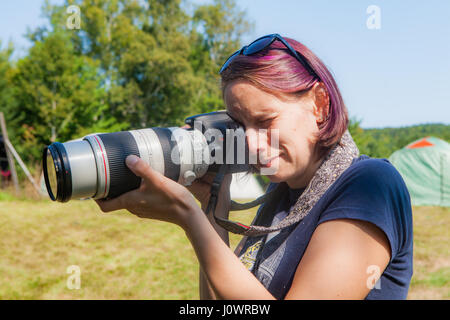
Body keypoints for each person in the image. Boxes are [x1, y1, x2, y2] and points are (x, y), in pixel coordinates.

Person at [95, 34, 413, 300]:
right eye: (240, 125)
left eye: (265, 121)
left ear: (319, 104)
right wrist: (211, 206)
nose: (251, 143)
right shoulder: (282, 194)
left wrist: (187, 216)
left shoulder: (370, 185)